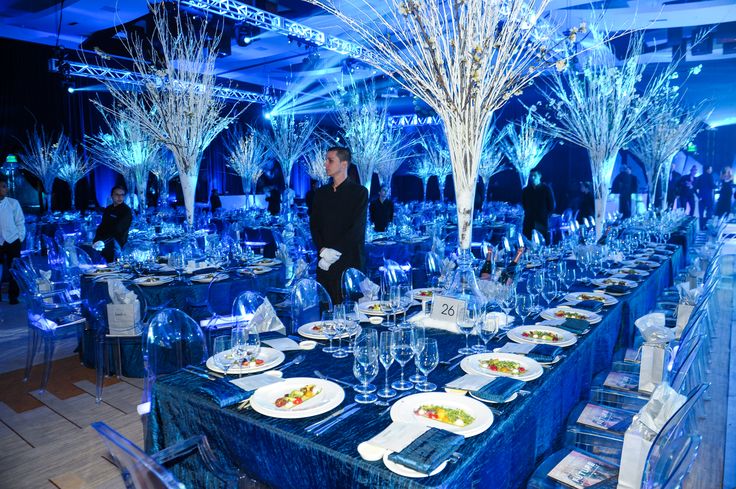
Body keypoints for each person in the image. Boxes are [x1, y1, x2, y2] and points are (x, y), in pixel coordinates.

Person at [309, 147, 368, 303]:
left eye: (330, 160)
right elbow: (314, 226)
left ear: (343, 164)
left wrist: (333, 252)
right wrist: (322, 250)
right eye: (326, 160)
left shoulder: (359, 192)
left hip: (349, 260)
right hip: (324, 263)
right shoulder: (320, 194)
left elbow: (357, 230)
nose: (325, 164)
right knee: (326, 309)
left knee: (351, 312)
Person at [0, 175, 25, 304]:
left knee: (13, 269)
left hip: (13, 240)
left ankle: (13, 296)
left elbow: (20, 221)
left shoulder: (13, 203)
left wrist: (20, 237)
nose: (2, 189)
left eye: (4, 186)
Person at [93, 186, 133, 263]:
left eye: (122, 195)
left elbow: (118, 230)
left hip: (117, 245)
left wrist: (102, 241)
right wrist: (96, 240)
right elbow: (102, 226)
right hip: (105, 244)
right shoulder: (108, 209)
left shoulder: (126, 211)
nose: (119, 197)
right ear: (112, 195)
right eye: (117, 194)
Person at [521, 170, 555, 241]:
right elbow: (524, 204)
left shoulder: (546, 189)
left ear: (540, 176)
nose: (532, 178)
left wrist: (545, 215)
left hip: (541, 220)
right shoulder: (526, 190)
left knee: (541, 241)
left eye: (535, 176)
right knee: (528, 241)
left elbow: (551, 205)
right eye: (531, 176)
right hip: (529, 220)